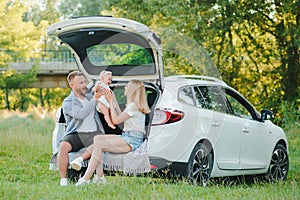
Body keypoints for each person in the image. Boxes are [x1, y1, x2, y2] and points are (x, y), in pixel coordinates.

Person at [75, 80, 150, 186]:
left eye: (127, 86)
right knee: (98, 139)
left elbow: (115, 121)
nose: (125, 88)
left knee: (100, 144)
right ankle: (99, 177)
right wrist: (113, 98)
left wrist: (110, 101)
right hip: (127, 136)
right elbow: (120, 116)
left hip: (133, 140)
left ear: (132, 90)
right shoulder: (133, 105)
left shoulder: (133, 106)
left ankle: (85, 179)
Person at [58, 71, 106, 186]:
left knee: (100, 142)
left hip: (94, 132)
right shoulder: (68, 102)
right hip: (77, 133)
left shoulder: (89, 97)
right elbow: (80, 114)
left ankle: (80, 160)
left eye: (85, 82)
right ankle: (63, 179)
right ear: (72, 85)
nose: (84, 85)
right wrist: (95, 99)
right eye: (80, 83)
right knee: (63, 146)